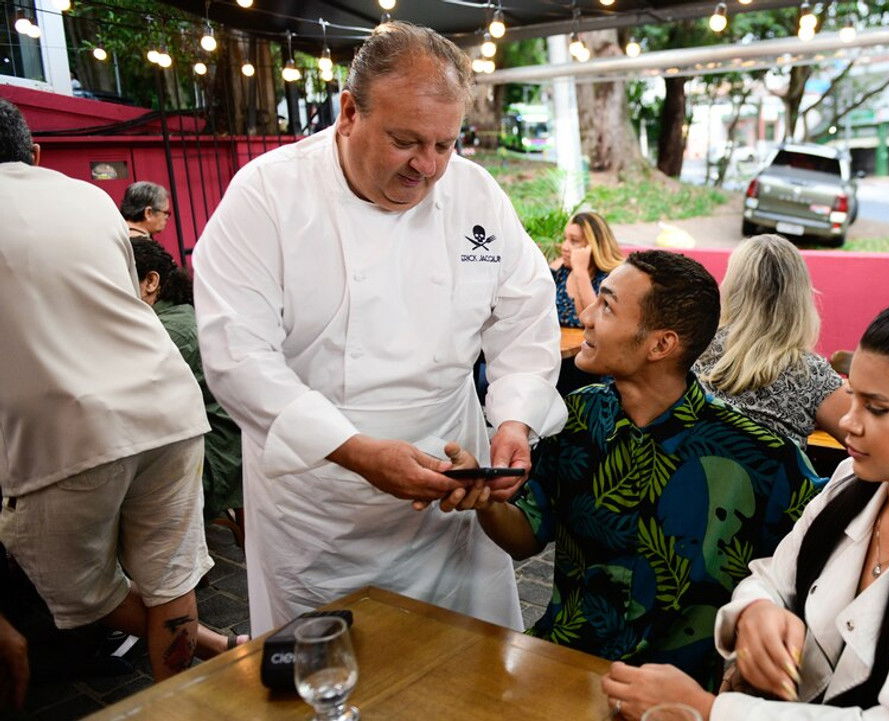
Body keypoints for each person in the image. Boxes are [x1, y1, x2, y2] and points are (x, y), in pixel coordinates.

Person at [193, 22, 566, 636]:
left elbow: (524, 311)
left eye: (445, 144)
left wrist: (515, 421)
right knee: (333, 667)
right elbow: (238, 357)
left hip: (451, 496)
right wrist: (359, 453)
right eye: (405, 141)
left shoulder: (474, 193)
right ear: (348, 113)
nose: (428, 166)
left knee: (466, 662)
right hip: (322, 504)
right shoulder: (267, 196)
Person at [601, 276, 889, 721]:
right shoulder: (852, 484)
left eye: (876, 408)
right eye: (852, 396)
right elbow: (772, 578)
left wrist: (709, 711)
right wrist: (755, 613)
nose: (848, 422)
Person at [438, 250, 823, 689]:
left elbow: (815, 568)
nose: (585, 316)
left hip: (677, 694)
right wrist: (486, 501)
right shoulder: (575, 418)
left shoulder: (759, 458)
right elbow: (526, 537)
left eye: (606, 305)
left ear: (661, 345)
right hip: (561, 667)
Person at [0, 98, 226, 681]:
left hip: (65, 431)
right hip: (164, 401)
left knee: (84, 593)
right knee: (171, 579)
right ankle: (194, 689)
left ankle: (210, 655)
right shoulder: (90, 197)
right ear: (36, 154)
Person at [693, 234, 850, 447]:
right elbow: (870, 442)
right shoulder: (811, 374)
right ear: (800, 298)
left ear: (731, 288)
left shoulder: (694, 348)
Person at [131, 238, 243, 521]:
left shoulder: (169, 331)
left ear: (150, 282)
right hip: (222, 447)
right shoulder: (176, 316)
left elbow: (137, 398)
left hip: (212, 457)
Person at [549, 210, 625, 328]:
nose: (564, 247)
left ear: (595, 246)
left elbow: (597, 323)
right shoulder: (558, 269)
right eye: (565, 239)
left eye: (574, 241)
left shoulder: (613, 279)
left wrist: (580, 272)